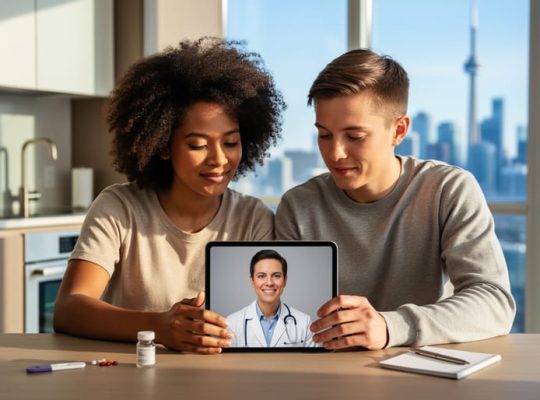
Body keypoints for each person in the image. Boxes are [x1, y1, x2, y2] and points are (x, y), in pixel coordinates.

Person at [54, 37, 286, 354]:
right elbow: (69, 308)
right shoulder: (119, 208)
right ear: (163, 145)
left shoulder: (253, 218)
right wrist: (160, 327)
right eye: (197, 145)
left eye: (230, 142)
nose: (219, 159)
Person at [275, 48, 516, 350]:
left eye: (354, 136)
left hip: (425, 377)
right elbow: (286, 322)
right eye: (324, 135)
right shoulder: (298, 207)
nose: (335, 153)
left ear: (398, 130)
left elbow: (494, 302)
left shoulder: (448, 190)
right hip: (327, 378)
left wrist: (390, 327)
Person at [226, 249, 315, 347]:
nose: (269, 283)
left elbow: (315, 361)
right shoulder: (232, 323)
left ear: (285, 281)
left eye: (276, 276)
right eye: (261, 276)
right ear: (252, 281)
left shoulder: (304, 322)